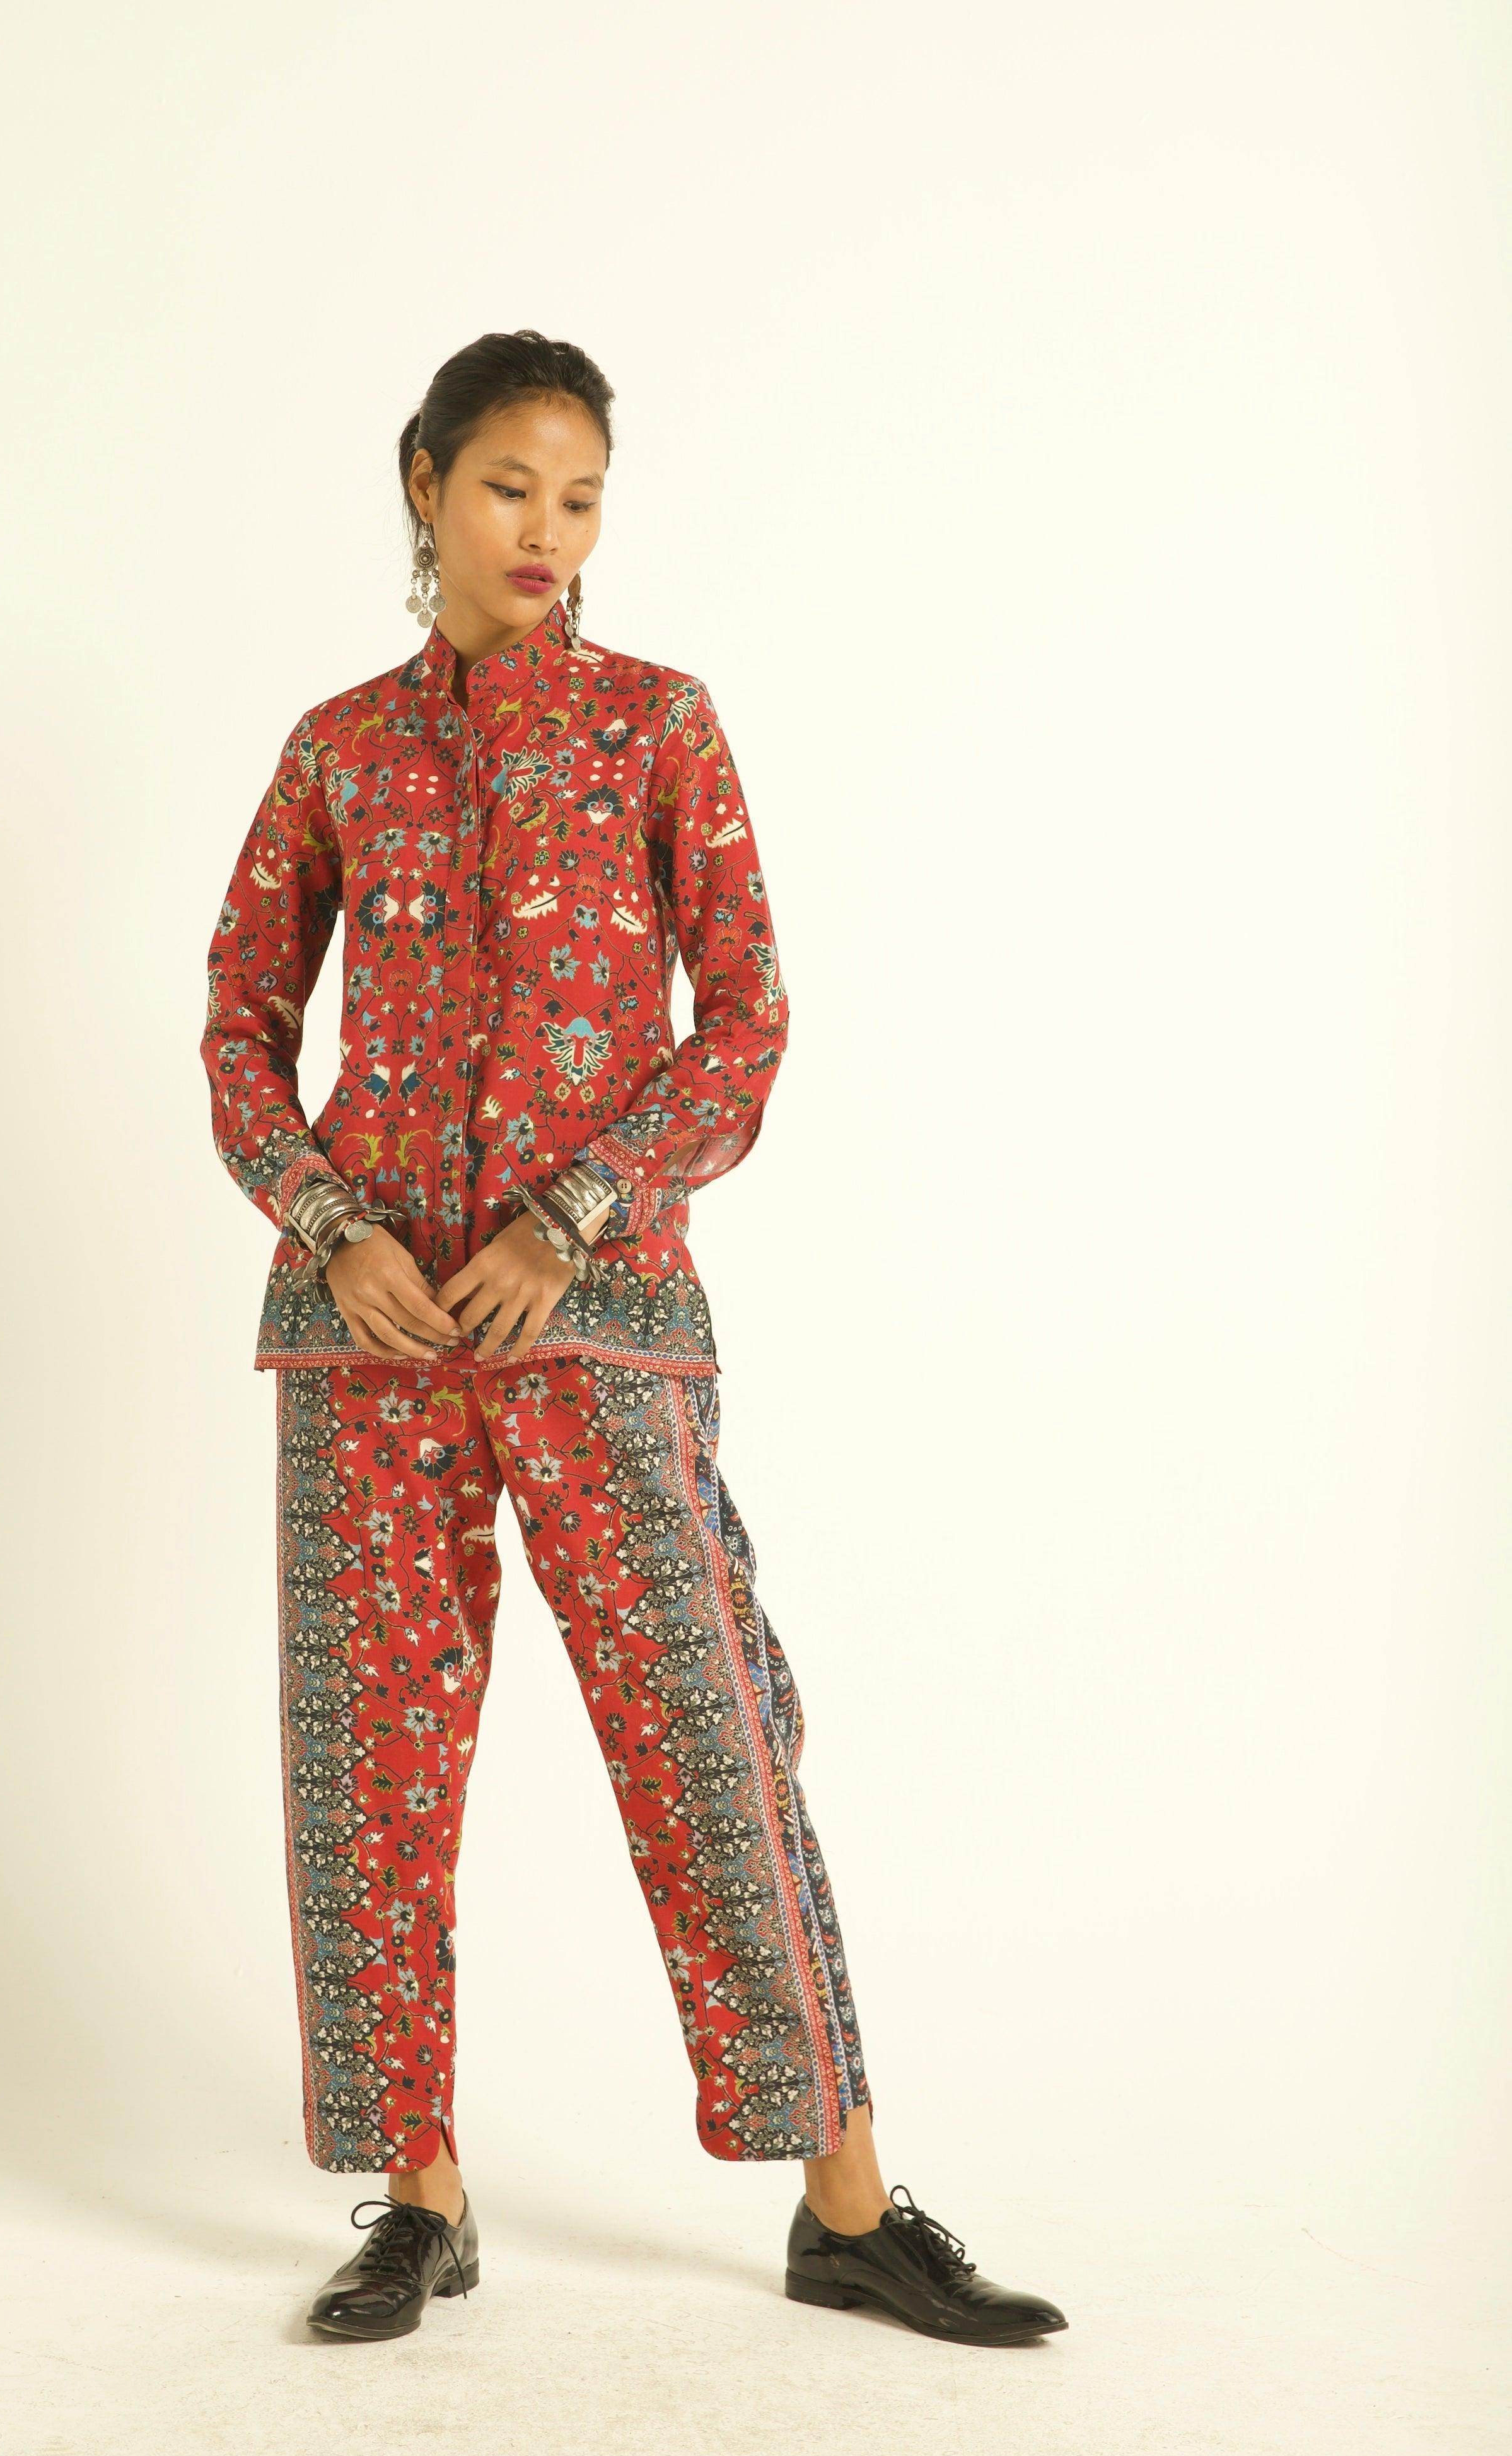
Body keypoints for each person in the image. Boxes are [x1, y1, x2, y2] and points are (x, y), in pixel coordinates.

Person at [200, 328, 1066, 2349]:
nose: (548, 532)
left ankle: (846, 2203)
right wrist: (329, 1227)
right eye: (511, 486)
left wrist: (571, 1214)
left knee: (710, 1725)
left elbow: (745, 1020)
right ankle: (417, 2196)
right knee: (372, 1758)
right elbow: (239, 1022)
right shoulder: (339, 751)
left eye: (581, 497)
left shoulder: (658, 724)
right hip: (370, 1337)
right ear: (425, 483)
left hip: (599, 1323)